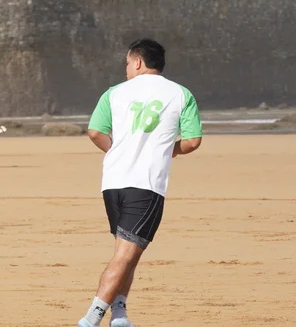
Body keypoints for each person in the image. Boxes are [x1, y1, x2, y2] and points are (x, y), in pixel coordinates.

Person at [76, 38, 203, 327]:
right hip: (145, 184)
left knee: (126, 253)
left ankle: (120, 315)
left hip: (112, 182)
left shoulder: (114, 93)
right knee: (125, 255)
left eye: (126, 64)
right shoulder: (180, 94)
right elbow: (193, 141)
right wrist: (168, 149)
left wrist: (118, 151)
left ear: (138, 62)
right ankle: (90, 319)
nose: (126, 70)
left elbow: (95, 132)